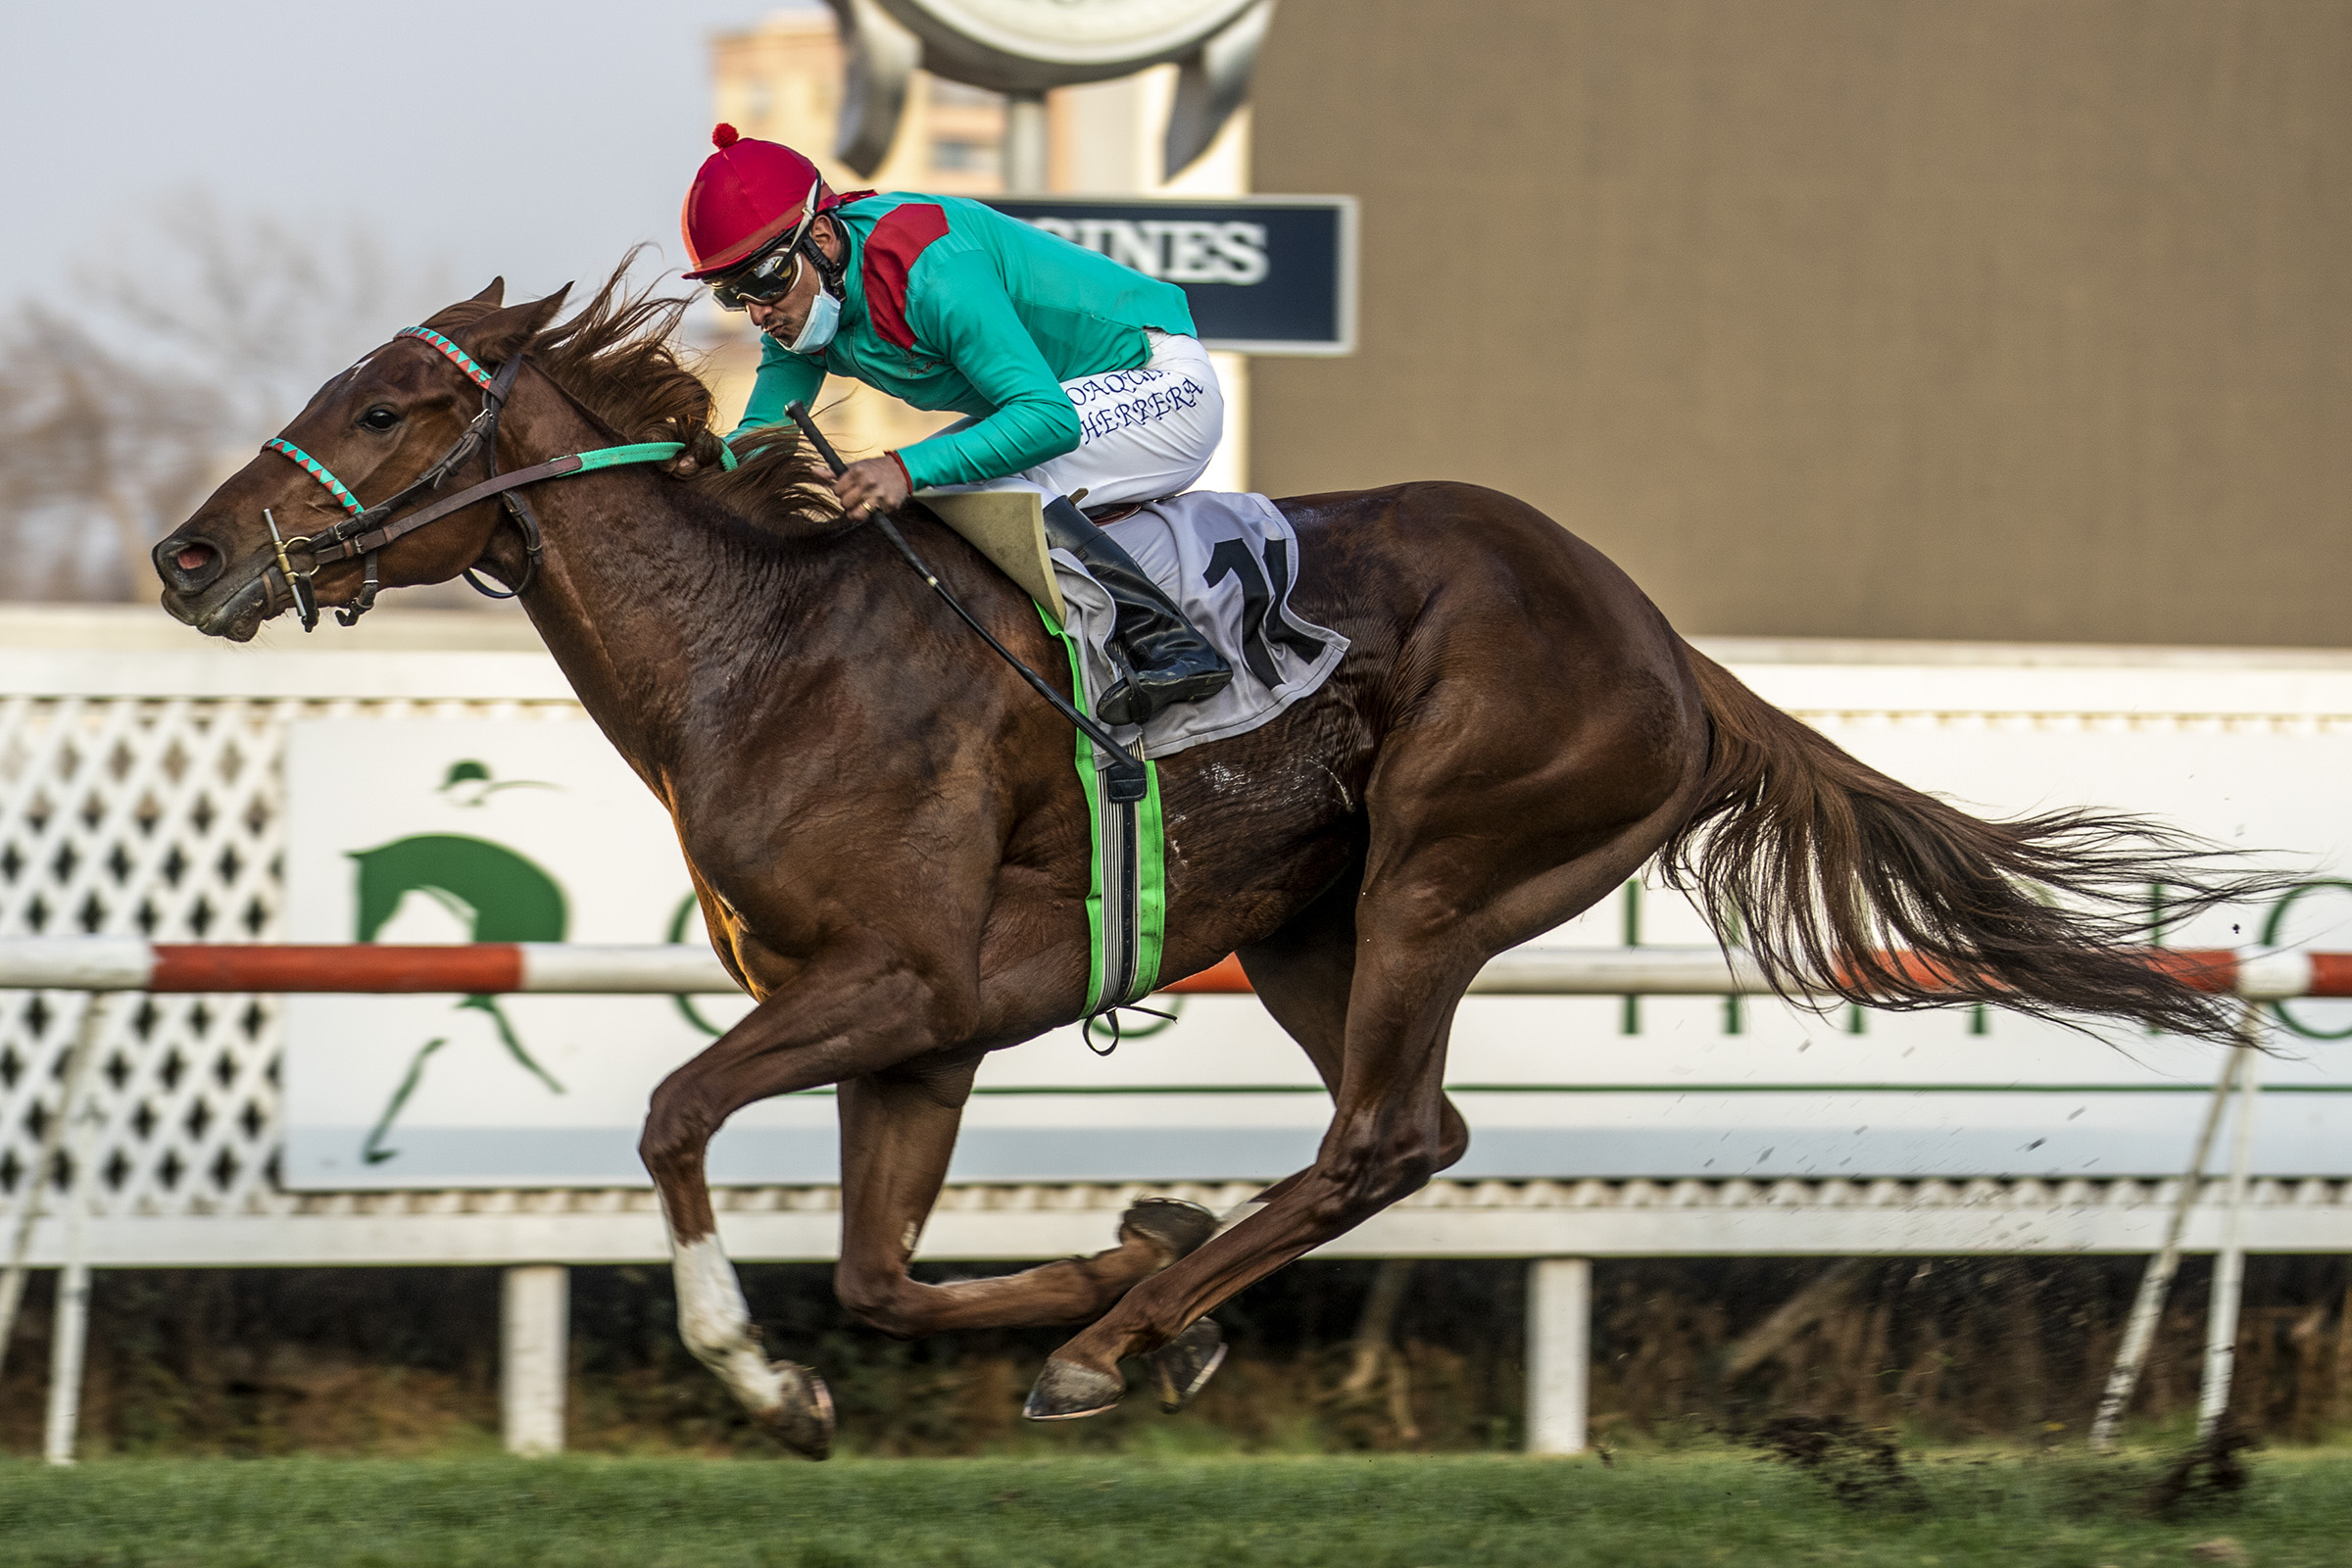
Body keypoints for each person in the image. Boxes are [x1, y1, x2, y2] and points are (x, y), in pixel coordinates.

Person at [681, 125, 1231, 727]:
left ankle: (1171, 643)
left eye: (766, 280)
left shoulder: (934, 270)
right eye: (733, 295)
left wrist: (903, 469)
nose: (758, 312)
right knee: (928, 493)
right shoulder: (805, 307)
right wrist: (696, 462)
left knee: (948, 481)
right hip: (1076, 396)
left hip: (1159, 380)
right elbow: (764, 440)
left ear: (821, 237)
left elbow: (1047, 420)